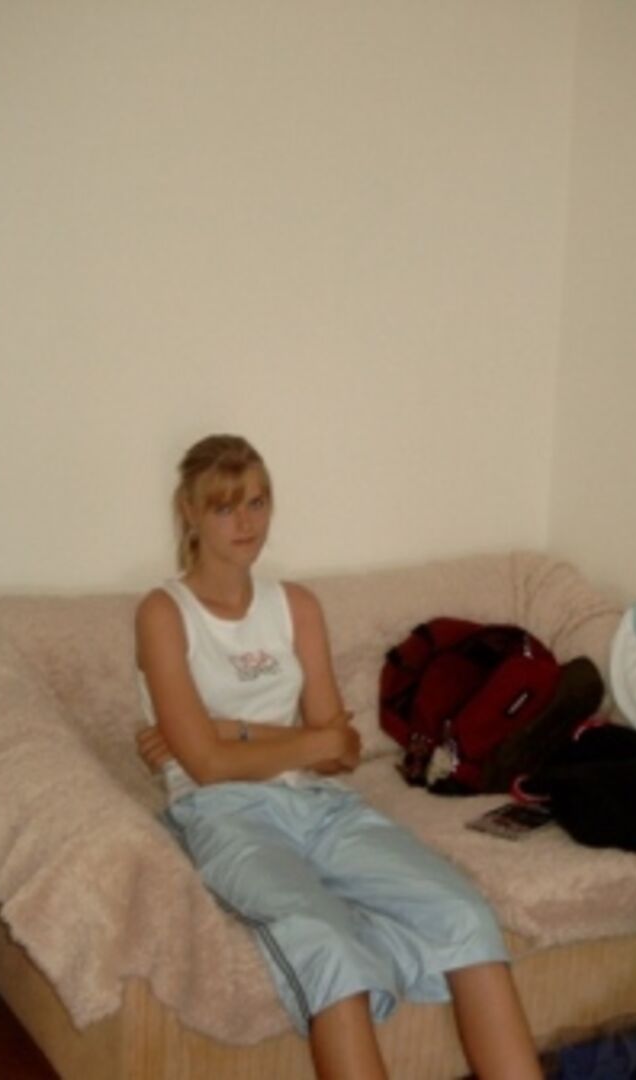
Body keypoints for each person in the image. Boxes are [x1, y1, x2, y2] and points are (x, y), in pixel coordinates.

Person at [135, 434, 542, 1080]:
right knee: (329, 945)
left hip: (319, 803)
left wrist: (228, 728)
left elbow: (343, 753)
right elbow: (209, 768)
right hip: (224, 814)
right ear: (189, 511)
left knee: (464, 913)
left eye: (257, 502)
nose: (246, 523)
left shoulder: (296, 606)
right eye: (224, 507)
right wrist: (300, 742)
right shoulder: (164, 613)